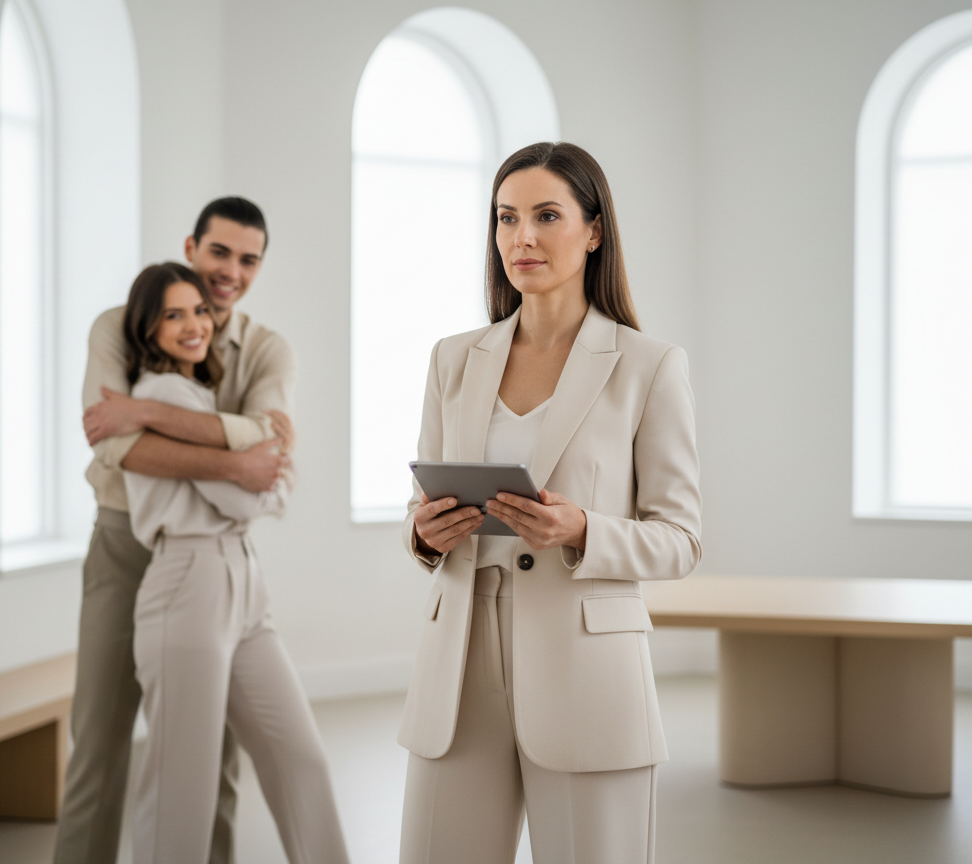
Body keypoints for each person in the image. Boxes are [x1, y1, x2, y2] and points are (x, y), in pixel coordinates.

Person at [397, 142, 702, 864]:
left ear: (593, 230)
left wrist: (582, 528)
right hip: (459, 669)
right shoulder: (453, 357)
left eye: (545, 215)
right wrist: (424, 531)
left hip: (587, 672)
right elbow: (416, 509)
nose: (520, 237)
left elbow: (682, 537)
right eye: (506, 218)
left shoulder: (648, 364)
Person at [55, 198, 294, 864]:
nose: (231, 272)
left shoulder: (266, 349)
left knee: (212, 753)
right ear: (192, 247)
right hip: (123, 544)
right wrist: (233, 461)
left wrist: (142, 410)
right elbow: (116, 449)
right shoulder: (116, 327)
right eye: (220, 253)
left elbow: (273, 446)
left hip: (208, 559)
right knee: (98, 744)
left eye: (249, 260)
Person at [122, 262, 349, 864]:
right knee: (181, 792)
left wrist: (262, 476)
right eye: (173, 314)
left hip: (241, 582)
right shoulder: (162, 394)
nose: (193, 324)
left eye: (198, 309)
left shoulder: (198, 397)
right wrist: (262, 467)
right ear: (147, 327)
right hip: (187, 584)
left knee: (299, 756)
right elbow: (244, 495)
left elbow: (262, 488)